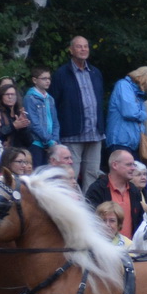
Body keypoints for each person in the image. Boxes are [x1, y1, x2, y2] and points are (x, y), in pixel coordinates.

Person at [51, 37, 106, 187]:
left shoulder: (95, 73)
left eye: (86, 46)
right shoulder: (61, 74)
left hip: (95, 133)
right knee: (70, 174)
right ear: (71, 50)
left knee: (93, 174)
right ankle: (70, 207)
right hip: (72, 133)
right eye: (79, 47)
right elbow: (54, 104)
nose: (83, 49)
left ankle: (89, 207)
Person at [86, 148, 147, 239]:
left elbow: (140, 223)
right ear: (115, 165)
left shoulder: (135, 191)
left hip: (131, 249)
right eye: (129, 165)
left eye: (133, 165)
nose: (133, 168)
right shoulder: (96, 190)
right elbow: (92, 222)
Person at [106, 66, 147, 157]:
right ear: (145, 81)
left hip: (131, 143)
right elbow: (130, 112)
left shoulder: (137, 93)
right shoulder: (123, 85)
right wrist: (144, 115)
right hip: (120, 141)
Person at [23, 67, 58, 158]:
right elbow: (34, 123)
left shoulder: (50, 99)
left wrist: (55, 140)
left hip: (51, 143)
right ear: (34, 80)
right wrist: (49, 141)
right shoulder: (30, 98)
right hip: (37, 142)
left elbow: (55, 121)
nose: (48, 81)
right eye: (44, 79)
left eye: (49, 78)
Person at [0, 80, 32, 153]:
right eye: (7, 94)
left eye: (13, 94)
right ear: (1, 96)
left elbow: (29, 142)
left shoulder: (20, 112)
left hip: (20, 152)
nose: (10, 97)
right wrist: (13, 126)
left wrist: (24, 127)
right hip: (4, 153)